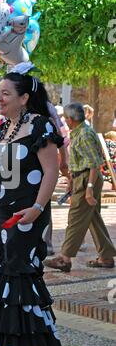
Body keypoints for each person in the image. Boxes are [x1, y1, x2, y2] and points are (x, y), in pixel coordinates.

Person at [0, 67, 65, 346]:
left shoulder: (40, 126)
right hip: (5, 215)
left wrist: (38, 207)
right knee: (9, 273)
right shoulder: (5, 130)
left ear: (24, 98)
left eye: (5, 93)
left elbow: (52, 172)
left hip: (29, 215)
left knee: (21, 274)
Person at [44, 102, 116, 273]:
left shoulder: (84, 134)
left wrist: (89, 188)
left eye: (65, 118)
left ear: (70, 119)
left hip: (87, 178)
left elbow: (93, 164)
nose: (64, 121)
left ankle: (64, 258)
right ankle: (106, 256)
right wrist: (71, 180)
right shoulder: (79, 132)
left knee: (76, 217)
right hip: (81, 177)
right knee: (92, 217)